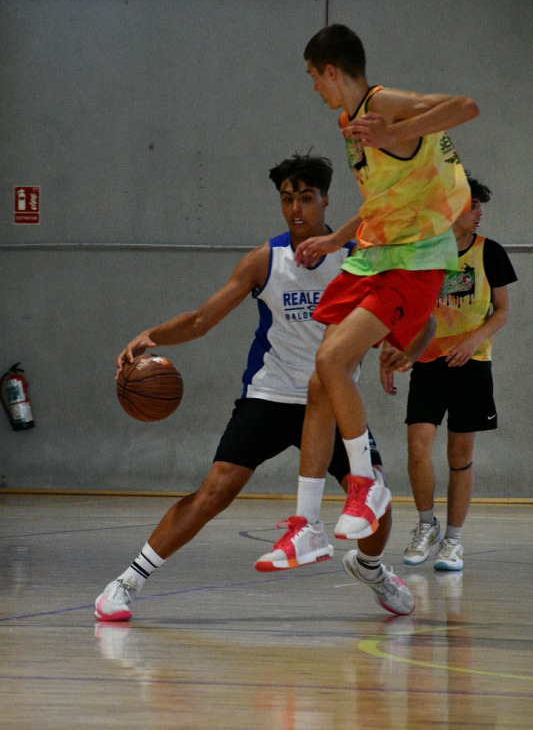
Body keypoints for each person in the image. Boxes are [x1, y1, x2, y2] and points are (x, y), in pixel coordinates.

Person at [94, 153, 416, 622]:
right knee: (215, 490)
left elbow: (407, 318)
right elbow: (202, 320)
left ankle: (370, 569)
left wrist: (403, 349)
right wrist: (153, 335)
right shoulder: (266, 260)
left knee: (375, 501)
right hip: (270, 395)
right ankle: (127, 581)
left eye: (306, 198)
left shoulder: (358, 257)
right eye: (287, 199)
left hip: (331, 401)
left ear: (326, 200)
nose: (296, 209)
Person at [256, 23, 479, 571]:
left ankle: (366, 485)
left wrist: (399, 130)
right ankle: (307, 526)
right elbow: (382, 200)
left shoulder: (383, 104)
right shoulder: (348, 122)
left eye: (313, 76)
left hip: (414, 258)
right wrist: (336, 239)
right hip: (373, 253)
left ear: (331, 71)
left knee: (332, 360)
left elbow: (465, 107)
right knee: (320, 381)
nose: (313, 86)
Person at [381, 175, 517, 571]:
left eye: (480, 206)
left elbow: (502, 311)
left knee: (460, 454)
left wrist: (474, 340)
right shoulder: (425, 253)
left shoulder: (490, 252)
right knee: (417, 447)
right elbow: (404, 307)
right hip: (428, 363)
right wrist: (392, 349)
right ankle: (427, 525)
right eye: (472, 205)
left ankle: (454, 541)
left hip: (471, 365)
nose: (479, 213)